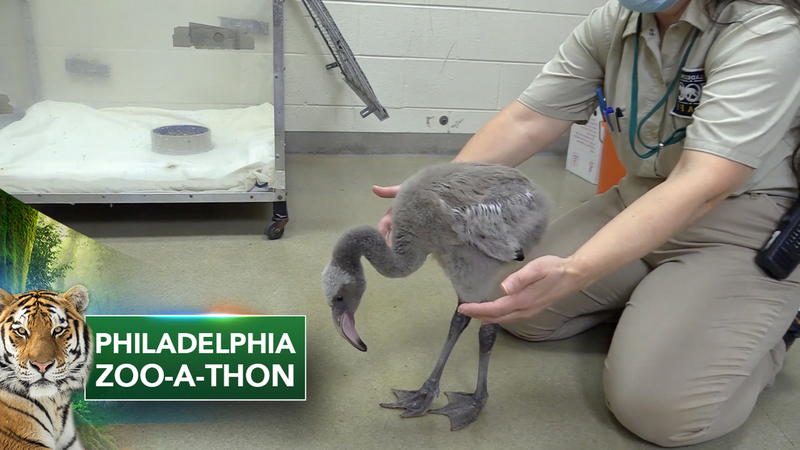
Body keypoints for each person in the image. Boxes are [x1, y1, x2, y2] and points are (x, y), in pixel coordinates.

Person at [372, 0, 800, 447]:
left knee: (659, 411)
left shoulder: (765, 31)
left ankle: (771, 334)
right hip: (637, 198)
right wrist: (436, 192)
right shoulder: (617, 22)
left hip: (739, 222)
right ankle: (654, 300)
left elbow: (703, 182)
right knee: (504, 298)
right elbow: (527, 120)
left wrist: (578, 270)